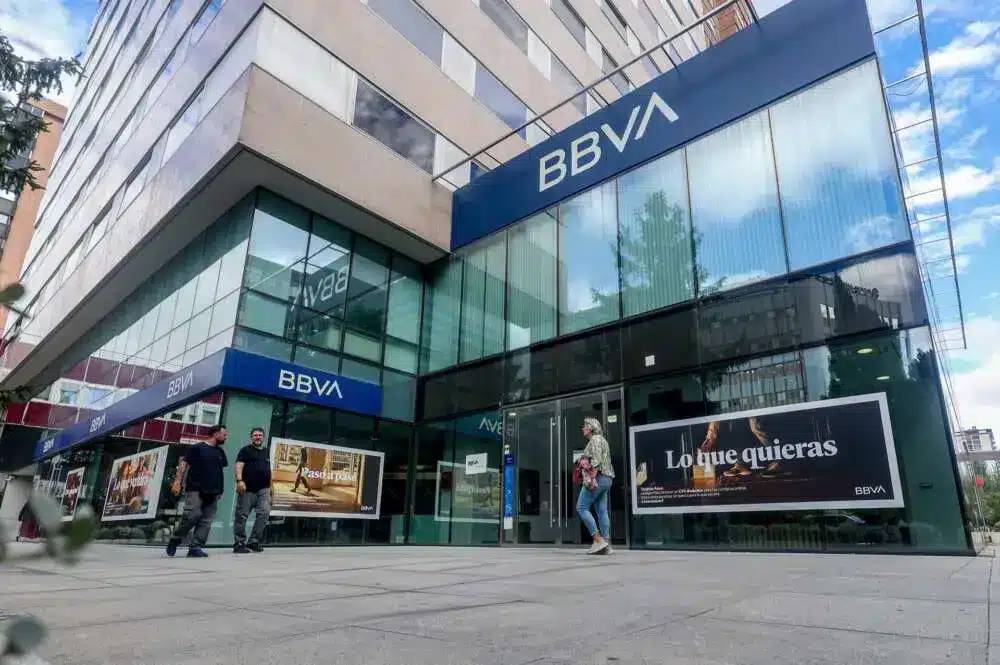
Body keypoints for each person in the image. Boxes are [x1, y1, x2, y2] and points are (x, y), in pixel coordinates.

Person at [166, 425, 229, 558]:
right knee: (192, 515)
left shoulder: (220, 452)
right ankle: (176, 538)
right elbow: (184, 464)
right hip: (196, 488)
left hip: (214, 491)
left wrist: (220, 490)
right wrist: (177, 482)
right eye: (224, 434)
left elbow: (220, 472)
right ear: (216, 434)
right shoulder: (197, 448)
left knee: (206, 520)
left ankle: (195, 547)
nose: (226, 437)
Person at [576, 417, 615, 555]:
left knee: (581, 507)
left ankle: (598, 540)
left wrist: (591, 478)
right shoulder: (603, 440)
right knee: (602, 511)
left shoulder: (595, 440)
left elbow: (596, 461)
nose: (583, 428)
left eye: (585, 426)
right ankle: (607, 545)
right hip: (607, 479)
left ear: (591, 428)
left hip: (597, 478)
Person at [233, 427, 271, 553]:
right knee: (242, 515)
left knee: (264, 513)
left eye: (260, 435)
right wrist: (239, 480)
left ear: (263, 437)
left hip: (264, 489)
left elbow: (269, 470)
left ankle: (253, 541)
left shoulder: (266, 451)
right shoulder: (245, 450)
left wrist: (271, 487)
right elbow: (239, 465)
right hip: (247, 488)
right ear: (251, 437)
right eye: (255, 435)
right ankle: (239, 543)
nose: (258, 437)